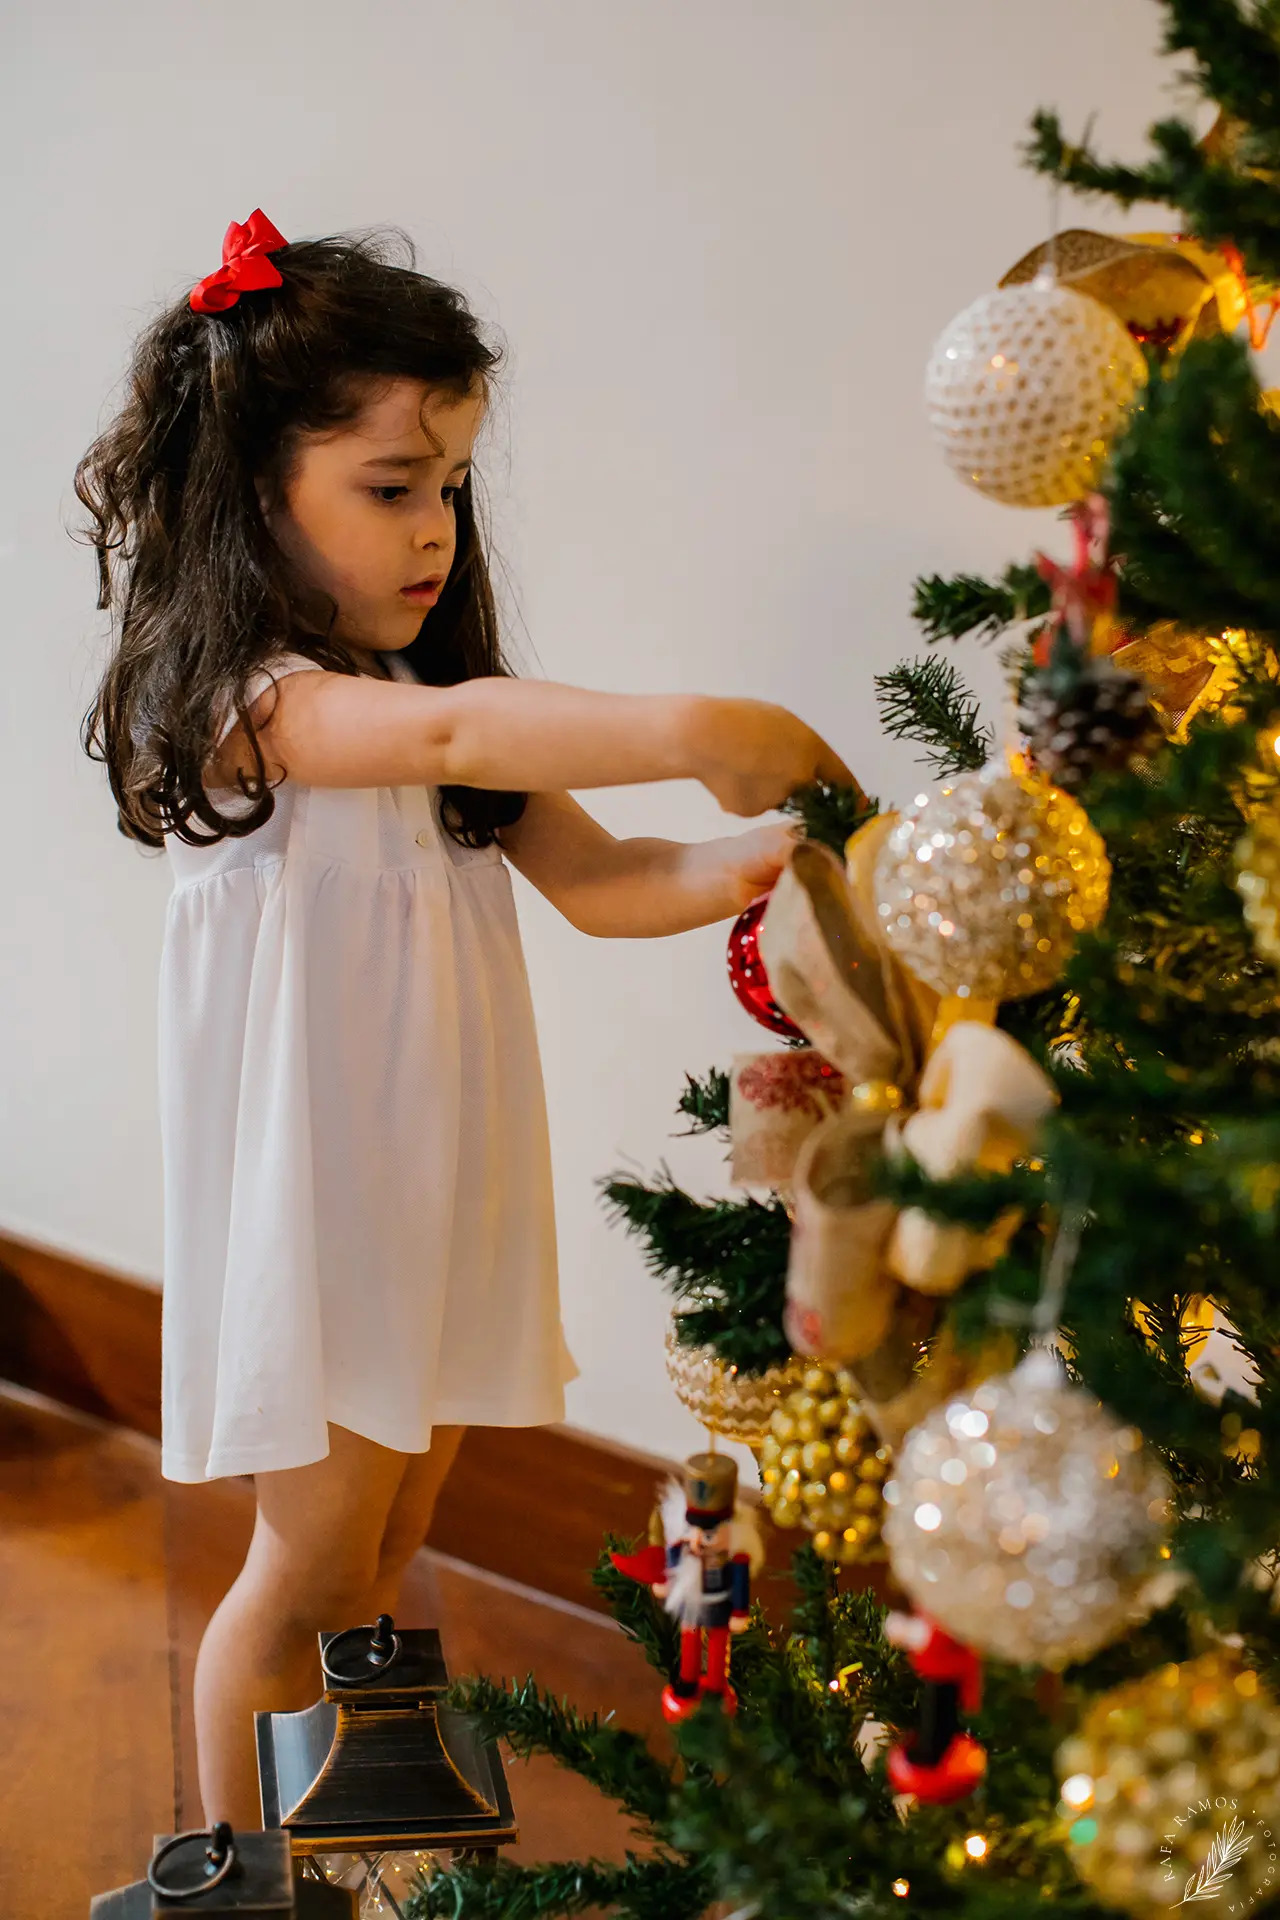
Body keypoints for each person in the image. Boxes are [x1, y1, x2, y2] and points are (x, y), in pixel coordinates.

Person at [76, 209, 857, 1826]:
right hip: (321, 1213)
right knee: (302, 1565)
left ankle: (360, 1817)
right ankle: (240, 1864)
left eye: (447, 489)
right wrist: (697, 722)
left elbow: (612, 875)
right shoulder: (262, 710)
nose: (433, 530)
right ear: (250, 495)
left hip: (438, 1199)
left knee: (390, 1533)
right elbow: (442, 745)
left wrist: (776, 857)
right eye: (389, 488)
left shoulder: (433, 702)